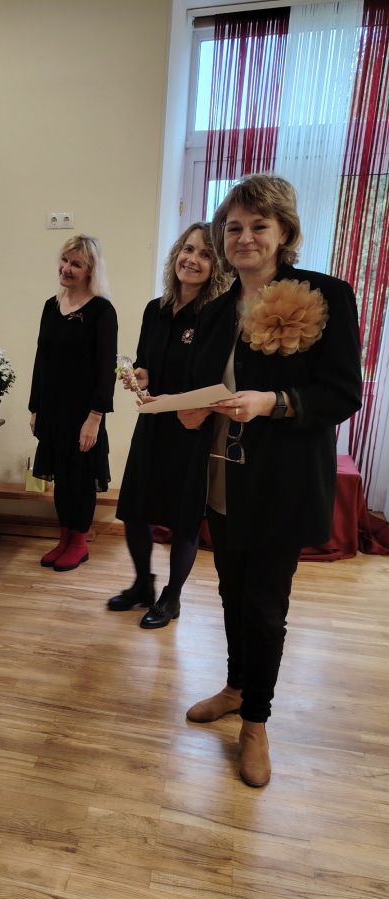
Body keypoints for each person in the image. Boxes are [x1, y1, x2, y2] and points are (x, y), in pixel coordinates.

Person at [179, 175, 362, 787]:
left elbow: (342, 393)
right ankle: (236, 686)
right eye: (233, 227)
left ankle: (256, 722)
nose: (245, 237)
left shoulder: (327, 295)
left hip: (283, 481)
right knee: (230, 591)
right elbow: (204, 388)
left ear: (284, 232)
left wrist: (274, 403)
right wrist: (185, 408)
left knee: (265, 605)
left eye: (259, 226)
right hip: (222, 475)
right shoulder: (215, 309)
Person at [109, 223, 228, 628]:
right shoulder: (154, 309)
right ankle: (142, 584)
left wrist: (187, 404)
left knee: (183, 519)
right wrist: (139, 376)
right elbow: (146, 364)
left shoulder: (216, 316)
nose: (192, 259)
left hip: (192, 430)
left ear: (217, 267)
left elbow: (215, 381)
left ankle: (172, 597)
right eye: (188, 249)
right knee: (134, 509)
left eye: (205, 254)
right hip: (153, 423)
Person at [29, 235, 117, 571]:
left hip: (84, 414)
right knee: (62, 479)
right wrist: (35, 407)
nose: (66, 268)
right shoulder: (50, 306)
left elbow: (106, 370)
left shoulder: (102, 311)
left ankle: (79, 543)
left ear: (90, 270)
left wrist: (95, 417)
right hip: (52, 411)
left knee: (80, 478)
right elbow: (41, 359)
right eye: (64, 260)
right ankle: (64, 537)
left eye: (76, 264)